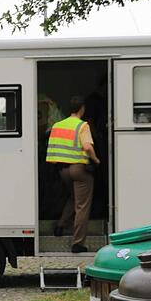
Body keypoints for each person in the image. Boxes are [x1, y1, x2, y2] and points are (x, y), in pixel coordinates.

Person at [47, 95, 101, 253]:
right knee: (82, 206)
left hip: (63, 171)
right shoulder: (82, 125)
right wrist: (96, 160)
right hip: (79, 170)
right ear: (82, 109)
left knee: (73, 197)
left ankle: (60, 226)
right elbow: (87, 147)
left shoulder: (58, 125)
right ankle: (77, 243)